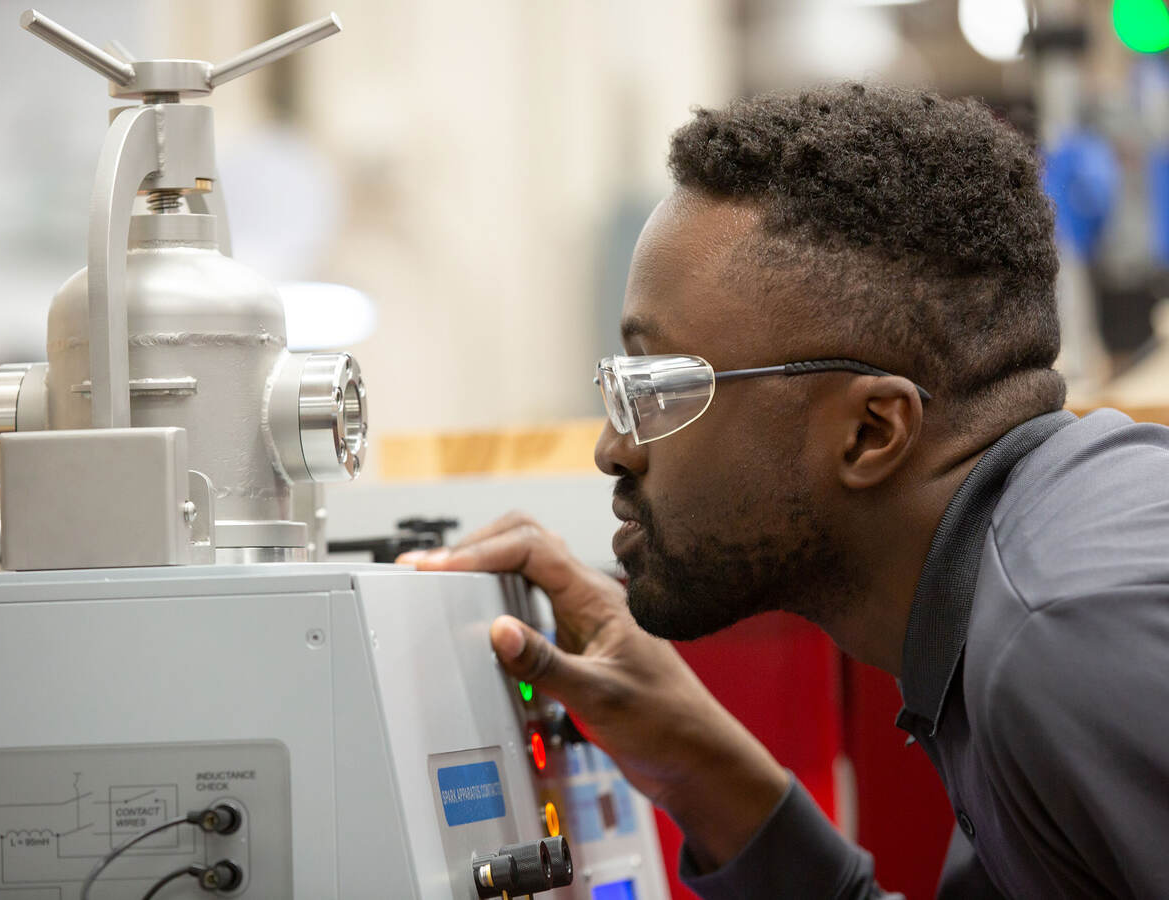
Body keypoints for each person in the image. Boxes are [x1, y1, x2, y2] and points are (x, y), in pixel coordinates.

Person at [398, 83, 1169, 898]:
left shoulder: (1066, 635)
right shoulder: (1021, 585)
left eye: (658, 389)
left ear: (871, 431)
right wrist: (692, 756)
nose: (614, 448)